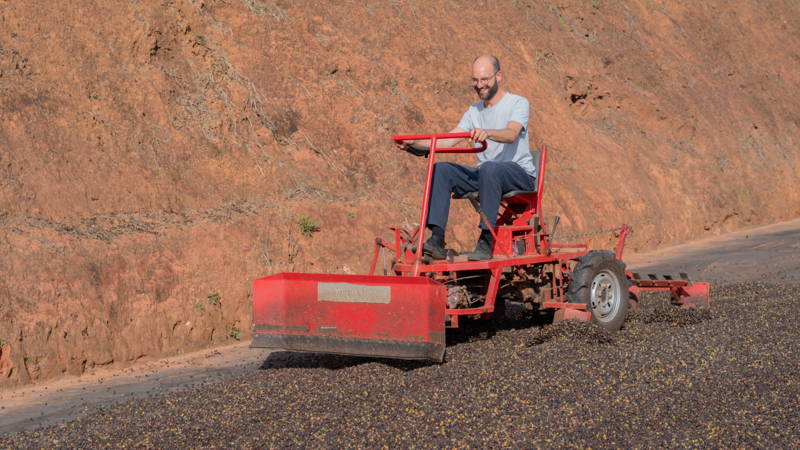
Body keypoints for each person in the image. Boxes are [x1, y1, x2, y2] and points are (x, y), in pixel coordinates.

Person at [395, 55, 537, 260]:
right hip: (487, 174)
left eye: (485, 80)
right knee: (442, 170)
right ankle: (436, 238)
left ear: (499, 76)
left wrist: (487, 132)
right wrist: (413, 145)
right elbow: (447, 141)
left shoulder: (518, 103)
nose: (479, 85)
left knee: (489, 168)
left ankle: (487, 238)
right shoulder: (474, 111)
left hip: (517, 172)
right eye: (475, 80)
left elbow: (511, 133)